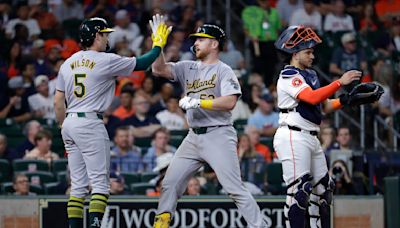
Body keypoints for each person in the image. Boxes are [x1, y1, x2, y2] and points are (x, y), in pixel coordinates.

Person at [53, 16, 171, 228]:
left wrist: (64, 126)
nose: (107, 38)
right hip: (90, 122)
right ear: (96, 35)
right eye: (105, 34)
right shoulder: (104, 59)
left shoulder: (67, 63)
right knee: (100, 185)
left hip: (70, 121)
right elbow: (143, 64)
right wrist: (158, 44)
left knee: (78, 186)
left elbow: (58, 101)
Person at [151, 18, 267, 227]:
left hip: (218, 134)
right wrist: (158, 46)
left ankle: (259, 225)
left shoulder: (224, 70)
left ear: (214, 44)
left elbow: (230, 101)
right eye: (195, 40)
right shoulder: (187, 66)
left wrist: (198, 102)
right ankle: (161, 222)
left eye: (201, 39)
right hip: (193, 136)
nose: (195, 43)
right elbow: (158, 70)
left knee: (234, 188)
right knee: (170, 182)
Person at [273, 25, 362, 228]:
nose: (312, 56)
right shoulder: (288, 75)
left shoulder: (310, 74)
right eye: (308, 51)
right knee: (300, 190)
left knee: (324, 189)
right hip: (292, 136)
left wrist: (346, 99)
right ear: (295, 53)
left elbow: (324, 105)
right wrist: (340, 82)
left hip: (311, 137)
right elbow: (312, 98)